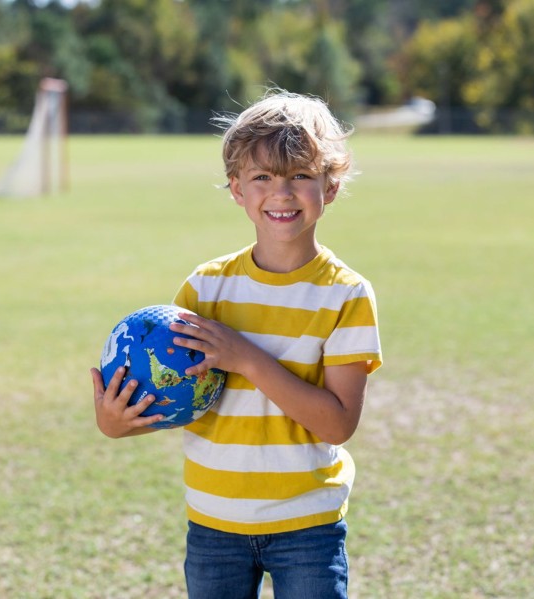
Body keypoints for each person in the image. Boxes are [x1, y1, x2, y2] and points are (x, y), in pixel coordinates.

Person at [90, 89, 382, 599]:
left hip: (306, 523)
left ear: (330, 187)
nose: (282, 193)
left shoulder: (346, 294)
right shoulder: (203, 289)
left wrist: (244, 356)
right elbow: (176, 394)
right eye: (262, 177)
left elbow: (338, 423)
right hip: (213, 522)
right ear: (236, 189)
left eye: (301, 176)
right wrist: (115, 423)